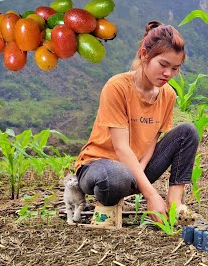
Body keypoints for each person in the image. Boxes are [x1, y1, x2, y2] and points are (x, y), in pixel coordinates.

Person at [74, 20, 199, 225]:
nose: (168, 73)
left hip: (137, 168)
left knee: (188, 132)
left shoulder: (168, 94)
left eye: (175, 68)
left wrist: (138, 174)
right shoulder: (117, 87)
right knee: (114, 176)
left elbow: (151, 141)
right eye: (163, 65)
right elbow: (121, 148)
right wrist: (150, 195)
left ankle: (175, 207)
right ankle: (110, 199)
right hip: (99, 166)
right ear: (144, 55)